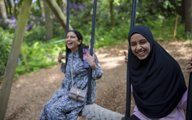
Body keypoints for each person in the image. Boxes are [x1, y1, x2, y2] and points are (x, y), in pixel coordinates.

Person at [125, 25, 192, 120]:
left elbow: (184, 101)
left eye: (142, 42)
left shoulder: (168, 66)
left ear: (150, 41)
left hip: (170, 116)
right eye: (133, 44)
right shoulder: (135, 66)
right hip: (143, 115)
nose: (138, 48)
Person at [39, 30, 103, 120]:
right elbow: (69, 73)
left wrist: (93, 65)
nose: (68, 39)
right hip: (66, 90)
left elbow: (98, 74)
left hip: (79, 92)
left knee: (53, 110)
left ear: (79, 41)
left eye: (72, 37)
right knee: (47, 107)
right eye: (67, 37)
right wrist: (61, 61)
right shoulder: (70, 55)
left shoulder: (85, 54)